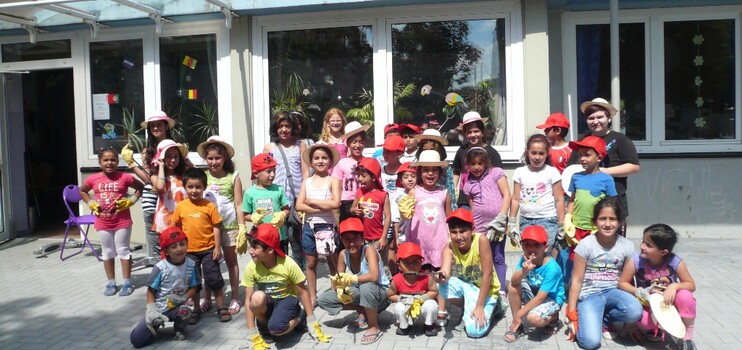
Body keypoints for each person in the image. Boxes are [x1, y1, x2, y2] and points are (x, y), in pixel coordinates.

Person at [565, 197, 642, 349]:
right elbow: (577, 280)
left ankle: (605, 319)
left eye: (612, 219)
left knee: (634, 312)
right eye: (602, 219)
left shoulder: (627, 246)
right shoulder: (585, 244)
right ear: (595, 222)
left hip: (614, 292)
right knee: (590, 343)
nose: (607, 224)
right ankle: (588, 317)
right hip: (589, 295)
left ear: (620, 222)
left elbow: (628, 280)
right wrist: (571, 312)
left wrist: (630, 324)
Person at [242, 224, 331, 349]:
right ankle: (264, 326)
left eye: (255, 247)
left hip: (287, 300)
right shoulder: (251, 267)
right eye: (250, 247)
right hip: (270, 302)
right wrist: (252, 333)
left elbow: (303, 292)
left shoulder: (288, 263)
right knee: (256, 297)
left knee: (277, 331)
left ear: (270, 250)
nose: (250, 251)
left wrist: (312, 322)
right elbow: (248, 301)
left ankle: (300, 317)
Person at [618, 224, 697, 350]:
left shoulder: (675, 262)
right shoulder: (636, 261)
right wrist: (638, 291)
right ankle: (658, 329)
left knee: (686, 296)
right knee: (644, 321)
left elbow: (691, 285)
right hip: (648, 304)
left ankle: (687, 337)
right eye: (643, 241)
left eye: (648, 245)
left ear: (663, 252)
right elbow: (622, 283)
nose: (642, 246)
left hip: (668, 304)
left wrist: (674, 286)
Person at [571, 98, 640, 236]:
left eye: (600, 117)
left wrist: (606, 171)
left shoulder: (620, 139)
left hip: (613, 201)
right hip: (585, 210)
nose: (595, 121)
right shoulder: (582, 140)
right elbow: (573, 167)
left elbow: (634, 167)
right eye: (591, 118)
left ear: (608, 118)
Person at [316, 218, 390, 345]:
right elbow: (337, 282)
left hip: (380, 293)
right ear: (341, 240)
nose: (351, 243)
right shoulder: (343, 255)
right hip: (361, 292)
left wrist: (350, 279)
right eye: (347, 239)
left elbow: (373, 276)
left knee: (366, 287)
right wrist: (340, 289)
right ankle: (364, 310)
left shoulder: (369, 250)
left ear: (362, 238)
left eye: (355, 239)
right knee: (323, 299)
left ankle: (373, 326)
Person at [80, 146, 143, 296]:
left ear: (117, 161)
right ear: (100, 162)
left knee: (123, 250)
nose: (109, 163)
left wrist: (132, 200)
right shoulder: (92, 179)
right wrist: (90, 203)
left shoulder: (124, 177)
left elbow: (140, 187)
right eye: (106, 160)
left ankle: (127, 282)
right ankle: (111, 283)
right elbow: (82, 191)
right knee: (107, 252)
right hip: (102, 222)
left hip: (122, 220)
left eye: (113, 159)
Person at [170, 168, 230, 323]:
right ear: (185, 187)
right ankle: (196, 308)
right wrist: (177, 247)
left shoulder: (209, 206)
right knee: (193, 282)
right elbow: (175, 226)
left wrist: (217, 247)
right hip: (189, 252)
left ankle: (221, 306)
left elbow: (217, 226)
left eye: (198, 187)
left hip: (209, 250)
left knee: (214, 278)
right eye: (190, 187)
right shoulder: (181, 206)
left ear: (204, 187)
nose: (194, 190)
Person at [435, 208, 504, 338]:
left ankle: (496, 306)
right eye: (454, 232)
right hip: (468, 286)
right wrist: (440, 277)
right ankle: (468, 307)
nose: (458, 237)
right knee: (442, 286)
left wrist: (479, 306)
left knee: (474, 332)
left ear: (472, 229)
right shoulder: (448, 247)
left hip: (487, 289)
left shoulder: (481, 240)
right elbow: (445, 272)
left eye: (462, 231)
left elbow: (487, 275)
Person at [197, 136, 245, 315]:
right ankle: (207, 298)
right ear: (205, 159)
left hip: (230, 226)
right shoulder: (203, 177)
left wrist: (242, 227)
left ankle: (234, 297)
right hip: (208, 228)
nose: (214, 162)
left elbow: (239, 204)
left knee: (232, 262)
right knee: (209, 263)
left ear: (224, 158)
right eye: (210, 158)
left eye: (218, 158)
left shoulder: (233, 177)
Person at [130, 227, 198, 348]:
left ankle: (179, 329)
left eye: (182, 244)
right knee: (137, 341)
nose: (179, 249)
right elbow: (151, 290)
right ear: (166, 251)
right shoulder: (160, 268)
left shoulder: (191, 265)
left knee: (186, 311)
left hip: (176, 307)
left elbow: (194, 286)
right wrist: (151, 310)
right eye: (174, 246)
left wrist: (185, 297)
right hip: (158, 309)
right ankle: (152, 323)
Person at [121, 111, 175, 260]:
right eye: (152, 126)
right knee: (154, 236)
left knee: (173, 233)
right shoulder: (147, 151)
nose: (156, 128)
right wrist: (131, 164)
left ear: (166, 126)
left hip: (171, 193)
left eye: (159, 125)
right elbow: (146, 179)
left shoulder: (175, 147)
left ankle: (176, 266)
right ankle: (161, 270)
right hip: (150, 194)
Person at [295, 144, 341, 307]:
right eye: (316, 158)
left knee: (332, 261)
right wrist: (322, 205)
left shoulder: (333, 180)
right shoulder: (306, 182)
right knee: (311, 262)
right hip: (309, 226)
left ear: (330, 161)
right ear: (311, 162)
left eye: (324, 158)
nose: (320, 161)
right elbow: (299, 206)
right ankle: (313, 297)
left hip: (327, 226)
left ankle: (336, 291)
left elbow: (335, 203)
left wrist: (312, 201)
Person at [504, 225, 565, 343]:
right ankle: (519, 326)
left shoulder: (552, 267)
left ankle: (553, 319)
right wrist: (523, 271)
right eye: (527, 244)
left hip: (551, 298)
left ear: (546, 247)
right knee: (512, 287)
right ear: (522, 246)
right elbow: (514, 281)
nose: (531, 248)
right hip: (534, 293)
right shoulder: (525, 259)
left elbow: (541, 297)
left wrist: (519, 314)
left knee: (533, 319)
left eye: (537, 244)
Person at [264, 111, 309, 269]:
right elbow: (264, 173)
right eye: (280, 126)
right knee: (278, 240)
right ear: (275, 128)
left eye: (287, 126)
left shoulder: (300, 145)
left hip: (295, 201)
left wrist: (304, 196)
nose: (284, 129)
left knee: (296, 241)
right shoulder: (270, 147)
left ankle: (298, 276)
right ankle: (281, 274)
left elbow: (305, 172)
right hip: (277, 202)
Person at [462, 146, 511, 293]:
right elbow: (472, 206)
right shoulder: (468, 184)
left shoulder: (496, 173)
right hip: (480, 225)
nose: (476, 167)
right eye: (473, 164)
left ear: (486, 163)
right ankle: (483, 285)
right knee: (481, 255)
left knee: (498, 255)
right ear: (468, 165)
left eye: (480, 163)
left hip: (498, 223)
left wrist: (502, 217)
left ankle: (501, 287)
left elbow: (507, 195)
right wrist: (474, 226)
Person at [509, 134, 566, 251]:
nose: (537, 157)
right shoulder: (520, 172)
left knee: (545, 255)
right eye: (533, 153)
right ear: (527, 152)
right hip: (526, 221)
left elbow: (559, 199)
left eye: (541, 153)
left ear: (547, 154)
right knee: (529, 256)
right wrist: (512, 222)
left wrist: (561, 224)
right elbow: (515, 198)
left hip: (548, 220)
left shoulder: (552, 172)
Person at [564, 136, 617, 259]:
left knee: (595, 258)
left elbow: (612, 204)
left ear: (599, 158)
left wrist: (604, 223)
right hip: (577, 228)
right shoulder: (576, 177)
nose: (582, 158)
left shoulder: (607, 179)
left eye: (587, 155)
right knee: (576, 258)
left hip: (595, 228)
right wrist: (568, 217)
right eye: (580, 155)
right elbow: (572, 200)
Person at [407, 150, 452, 270]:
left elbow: (450, 217)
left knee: (439, 275)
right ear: (420, 172)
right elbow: (407, 216)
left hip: (439, 241)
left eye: (434, 170)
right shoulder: (414, 192)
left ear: (440, 173)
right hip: (419, 241)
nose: (430, 173)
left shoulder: (444, 192)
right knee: (421, 275)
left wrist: (451, 237)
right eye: (426, 170)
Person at [452, 111, 503, 209]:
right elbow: (456, 172)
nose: (473, 135)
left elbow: (499, 178)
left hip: (486, 199)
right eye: (469, 132)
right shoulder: (462, 150)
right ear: (465, 134)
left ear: (483, 132)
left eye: (476, 131)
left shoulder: (492, 153)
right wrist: (452, 192)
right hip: (464, 200)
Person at [387, 242, 439, 337]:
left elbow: (434, 291)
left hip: (423, 304)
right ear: (399, 265)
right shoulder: (397, 279)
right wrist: (402, 299)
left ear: (421, 262)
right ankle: (404, 326)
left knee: (432, 305)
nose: (411, 265)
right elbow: (390, 295)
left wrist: (422, 299)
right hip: (406, 305)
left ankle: (429, 325)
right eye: (406, 262)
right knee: (398, 307)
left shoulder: (426, 277)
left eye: (415, 262)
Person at [242, 153, 290, 252]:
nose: (272, 175)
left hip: (278, 236)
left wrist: (282, 214)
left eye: (274, 171)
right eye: (268, 171)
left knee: (280, 263)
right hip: (259, 237)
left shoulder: (279, 189)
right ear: (256, 174)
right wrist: (253, 217)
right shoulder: (250, 192)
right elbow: (245, 214)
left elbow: (286, 209)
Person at [351, 158, 391, 256]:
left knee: (380, 265)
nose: (360, 179)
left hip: (377, 238)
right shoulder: (359, 191)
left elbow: (388, 217)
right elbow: (352, 209)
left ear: (373, 177)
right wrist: (355, 211)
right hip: (361, 238)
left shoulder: (383, 195)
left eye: (363, 176)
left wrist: (383, 237)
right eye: (359, 175)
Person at [377, 134, 405, 272]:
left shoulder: (405, 171)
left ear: (400, 153)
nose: (385, 154)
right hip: (385, 216)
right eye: (384, 151)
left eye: (389, 151)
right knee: (387, 246)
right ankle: (390, 277)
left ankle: (399, 276)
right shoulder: (380, 171)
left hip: (401, 216)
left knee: (397, 245)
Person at [332, 121, 370, 222]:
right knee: (347, 232)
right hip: (346, 202)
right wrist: (338, 204)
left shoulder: (369, 163)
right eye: (354, 142)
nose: (358, 145)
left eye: (361, 142)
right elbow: (338, 186)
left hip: (365, 201)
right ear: (347, 143)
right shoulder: (341, 163)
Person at [150, 139, 188, 234]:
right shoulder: (155, 176)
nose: (173, 160)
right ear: (161, 158)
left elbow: (200, 180)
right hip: (165, 218)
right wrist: (161, 167)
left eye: (176, 156)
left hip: (183, 216)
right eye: (168, 157)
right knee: (167, 247)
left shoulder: (184, 176)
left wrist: (190, 164)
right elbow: (160, 186)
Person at [415, 129, 457, 210]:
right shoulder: (418, 167)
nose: (428, 152)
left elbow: (451, 192)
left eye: (432, 149)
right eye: (425, 150)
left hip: (440, 206)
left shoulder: (446, 169)